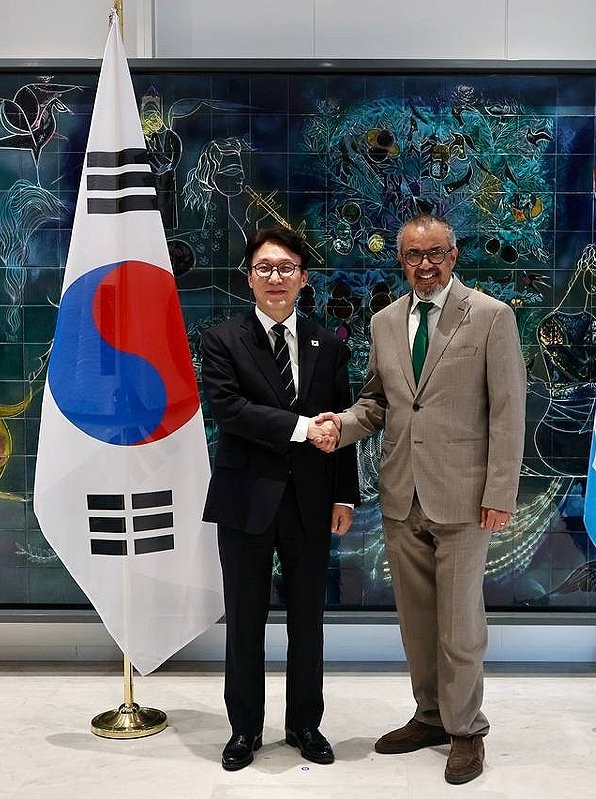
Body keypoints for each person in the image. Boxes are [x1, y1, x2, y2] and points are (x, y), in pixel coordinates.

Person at [316, 213, 526, 785]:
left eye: (436, 253)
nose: (425, 265)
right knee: (417, 622)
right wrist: (341, 425)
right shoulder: (385, 322)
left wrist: (500, 492)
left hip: (465, 498)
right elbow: (378, 403)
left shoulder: (490, 317)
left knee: (460, 625)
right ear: (402, 261)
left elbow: (508, 412)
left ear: (453, 256)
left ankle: (465, 730)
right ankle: (430, 716)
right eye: (414, 255)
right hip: (401, 494)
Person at [200, 226, 357, 771]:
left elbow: (341, 428)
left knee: (308, 620)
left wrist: (346, 496)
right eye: (265, 267)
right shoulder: (221, 340)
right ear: (249, 277)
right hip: (246, 501)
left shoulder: (329, 344)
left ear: (303, 278)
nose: (275, 277)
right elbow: (229, 411)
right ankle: (244, 730)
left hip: (312, 503)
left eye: (286, 267)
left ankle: (305, 724)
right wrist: (299, 429)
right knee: (244, 619)